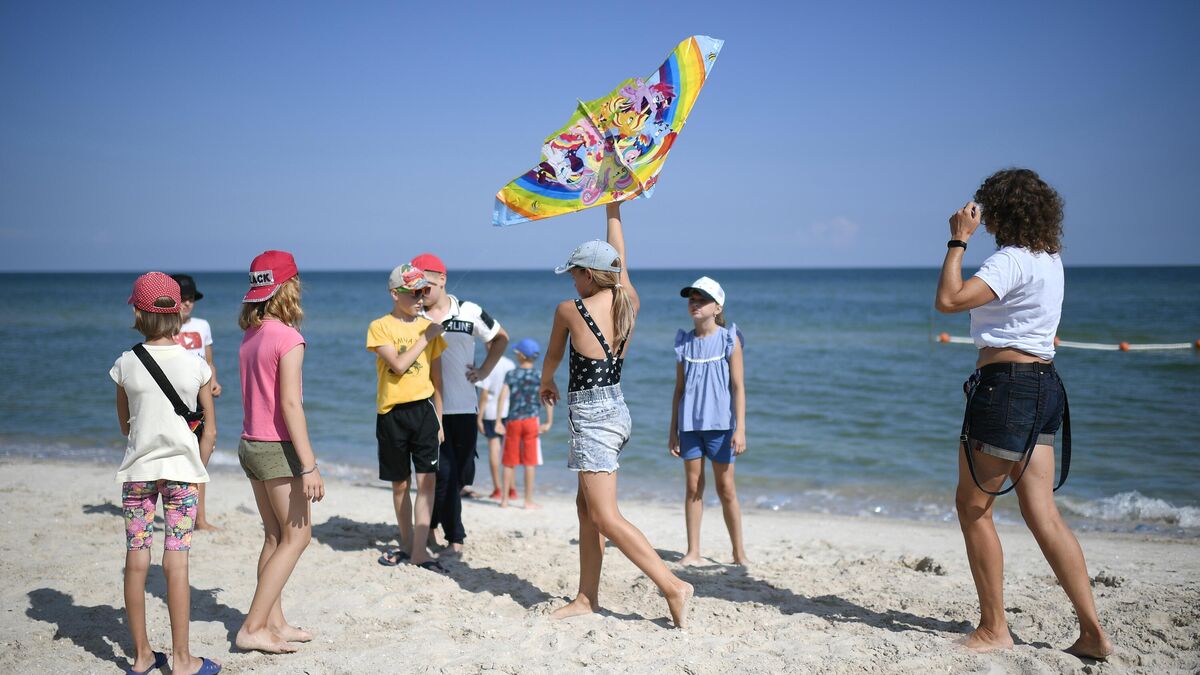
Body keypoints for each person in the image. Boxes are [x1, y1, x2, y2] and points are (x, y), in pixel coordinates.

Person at [934, 168, 1112, 658]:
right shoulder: (1049, 259)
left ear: (1002, 212)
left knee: (973, 508)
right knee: (1043, 514)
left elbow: (948, 300)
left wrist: (957, 241)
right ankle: (1093, 630)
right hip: (1043, 386)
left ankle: (994, 628)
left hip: (1007, 389)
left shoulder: (1009, 261)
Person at [541, 202, 693, 628]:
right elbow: (619, 255)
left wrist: (545, 382)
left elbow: (552, 355)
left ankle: (672, 586)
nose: (571, 277)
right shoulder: (629, 299)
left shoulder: (570, 309)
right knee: (586, 510)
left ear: (588, 275)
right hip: (616, 410)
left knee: (605, 515)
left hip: (592, 418)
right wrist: (614, 206)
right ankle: (587, 597)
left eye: (574, 271)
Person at [111, 272, 221, 675]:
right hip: (181, 475)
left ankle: (141, 656)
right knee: (177, 559)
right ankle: (182, 659)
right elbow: (209, 431)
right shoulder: (196, 367)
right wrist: (197, 466)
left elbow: (125, 425)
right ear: (179, 314)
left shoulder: (126, 364)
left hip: (139, 473)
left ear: (138, 314)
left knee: (136, 558)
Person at [234, 250, 325, 654]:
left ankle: (275, 621)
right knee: (298, 538)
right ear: (290, 287)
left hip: (250, 444)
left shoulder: (250, 336)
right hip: (276, 448)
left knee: (274, 536)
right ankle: (253, 626)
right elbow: (290, 405)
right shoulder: (288, 337)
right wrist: (310, 466)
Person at [411, 253, 509, 555]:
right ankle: (452, 536)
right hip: (429, 408)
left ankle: (435, 522)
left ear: (442, 279)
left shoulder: (469, 311)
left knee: (463, 475)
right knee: (443, 474)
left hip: (466, 408)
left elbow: (501, 339)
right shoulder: (414, 316)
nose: (421, 293)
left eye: (425, 285)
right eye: (415, 288)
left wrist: (484, 372)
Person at [368, 263, 448, 572]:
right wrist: (426, 337)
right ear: (394, 293)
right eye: (413, 291)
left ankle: (419, 551)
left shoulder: (427, 327)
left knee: (427, 483)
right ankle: (406, 543)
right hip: (391, 414)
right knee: (400, 485)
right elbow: (398, 365)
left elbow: (437, 379)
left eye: (424, 291)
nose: (420, 296)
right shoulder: (380, 326)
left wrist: (439, 419)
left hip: (424, 411)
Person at [668, 276, 749, 566]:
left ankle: (738, 553)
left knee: (726, 489)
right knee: (693, 487)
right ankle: (693, 552)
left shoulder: (729, 339)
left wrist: (740, 428)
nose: (695, 304)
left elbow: (738, 387)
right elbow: (678, 390)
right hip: (689, 427)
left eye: (702, 300)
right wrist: (672, 431)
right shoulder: (684, 342)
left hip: (722, 427)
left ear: (717, 307)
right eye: (692, 299)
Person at [171, 273, 221, 532]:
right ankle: (179, 514)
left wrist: (215, 381)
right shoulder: (165, 328)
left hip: (200, 401)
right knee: (178, 460)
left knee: (202, 459)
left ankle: (200, 519)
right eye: (182, 299)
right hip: (174, 403)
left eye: (191, 299)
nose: (187, 304)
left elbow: (208, 361)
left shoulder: (202, 326)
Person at [496, 338, 552, 509]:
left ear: (520, 355)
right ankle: (527, 500)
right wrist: (549, 421)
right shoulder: (539, 375)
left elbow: (502, 396)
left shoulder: (512, 374)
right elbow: (547, 398)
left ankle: (504, 500)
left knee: (509, 461)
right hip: (531, 421)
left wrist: (498, 420)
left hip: (513, 420)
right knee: (529, 462)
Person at [475, 353, 516, 500]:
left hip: (490, 412)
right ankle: (512, 489)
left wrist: (478, 418)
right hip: (508, 411)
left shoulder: (488, 364)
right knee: (508, 450)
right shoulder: (510, 364)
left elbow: (484, 395)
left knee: (494, 449)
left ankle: (498, 488)